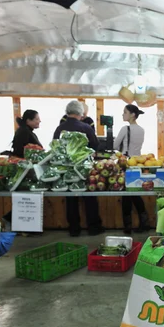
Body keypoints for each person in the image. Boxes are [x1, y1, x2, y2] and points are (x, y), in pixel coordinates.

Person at [53, 100, 104, 237]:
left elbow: (55, 148)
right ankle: (93, 227)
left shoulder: (60, 129)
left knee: (70, 198)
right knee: (89, 197)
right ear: (80, 113)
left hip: (65, 170)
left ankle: (74, 229)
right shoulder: (86, 128)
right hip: (84, 169)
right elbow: (95, 146)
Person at [2, 109, 43, 228]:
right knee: (26, 198)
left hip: (27, 170)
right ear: (28, 120)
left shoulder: (26, 130)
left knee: (28, 198)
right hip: (25, 171)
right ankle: (13, 221)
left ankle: (19, 224)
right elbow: (21, 152)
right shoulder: (24, 132)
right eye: (36, 119)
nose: (39, 121)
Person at [114, 104, 149, 234]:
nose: (123, 114)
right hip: (137, 164)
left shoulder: (125, 129)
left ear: (132, 114)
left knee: (126, 195)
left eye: (125, 112)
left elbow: (114, 145)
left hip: (126, 163)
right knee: (135, 194)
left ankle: (127, 226)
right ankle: (144, 222)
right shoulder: (141, 130)